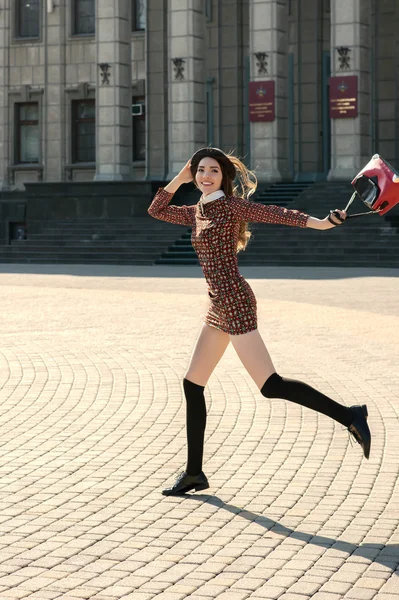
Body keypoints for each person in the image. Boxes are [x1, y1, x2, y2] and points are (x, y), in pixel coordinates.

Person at [148, 147, 371, 496]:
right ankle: (194, 473)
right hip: (218, 305)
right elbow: (156, 209)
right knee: (193, 385)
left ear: (224, 177)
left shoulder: (231, 206)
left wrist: (323, 223)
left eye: (213, 171)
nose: (206, 176)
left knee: (270, 385)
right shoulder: (197, 211)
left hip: (235, 302)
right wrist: (180, 177)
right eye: (200, 170)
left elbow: (276, 213)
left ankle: (351, 415)